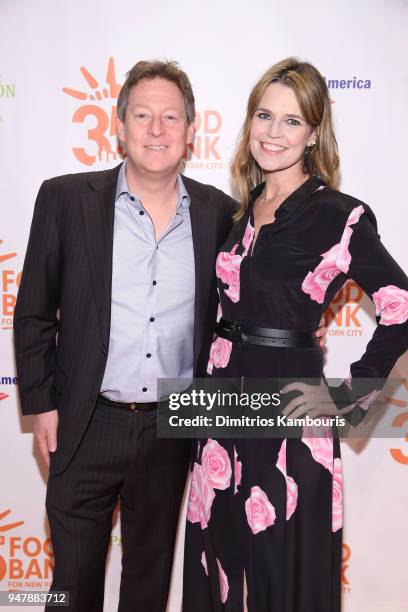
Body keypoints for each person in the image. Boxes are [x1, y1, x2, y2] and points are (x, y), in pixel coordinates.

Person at [14, 59, 327, 612]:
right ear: (120, 124)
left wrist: (298, 340)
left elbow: (248, 302)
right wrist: (40, 404)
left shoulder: (221, 215)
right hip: (86, 421)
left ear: (189, 129)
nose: (156, 130)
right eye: (142, 115)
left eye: (170, 117)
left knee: (149, 581)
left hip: (175, 422)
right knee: (71, 584)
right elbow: (35, 311)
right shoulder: (66, 199)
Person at [183, 57, 408, 612]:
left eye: (291, 121)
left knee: (280, 570)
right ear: (249, 122)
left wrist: (349, 398)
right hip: (218, 410)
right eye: (265, 115)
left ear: (312, 133)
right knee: (221, 558)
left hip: (287, 415)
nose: (274, 133)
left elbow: (401, 306)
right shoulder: (238, 214)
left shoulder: (339, 215)